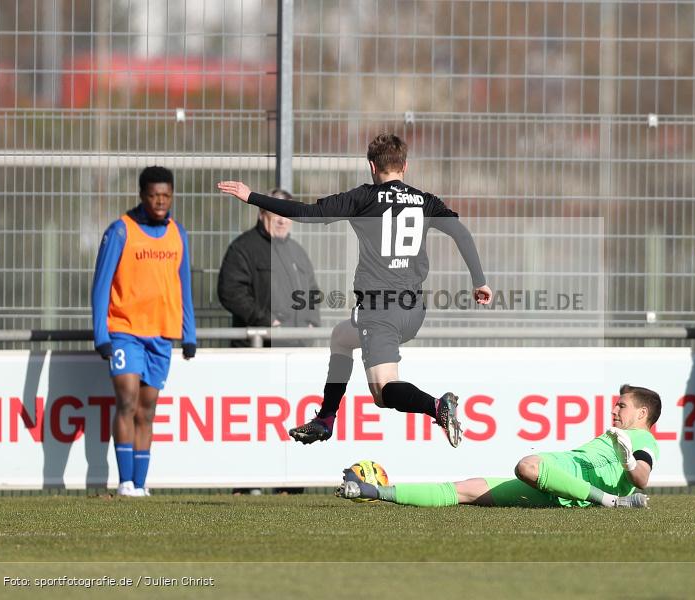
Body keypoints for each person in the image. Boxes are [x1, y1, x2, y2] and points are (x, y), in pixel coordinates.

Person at [218, 133, 491, 448]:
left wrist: (252, 196)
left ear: (372, 166)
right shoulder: (425, 200)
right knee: (341, 337)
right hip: (413, 310)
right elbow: (460, 232)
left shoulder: (364, 198)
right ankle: (326, 417)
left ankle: (436, 406)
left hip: (380, 310)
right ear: (405, 165)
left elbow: (306, 213)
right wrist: (479, 281)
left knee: (383, 391)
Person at [335, 384, 661, 509]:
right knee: (465, 489)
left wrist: (630, 463)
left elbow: (643, 477)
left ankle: (611, 502)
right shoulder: (616, 436)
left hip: (560, 478)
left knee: (527, 465)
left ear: (642, 413)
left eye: (622, 406)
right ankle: (373, 492)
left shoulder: (642, 439)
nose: (614, 410)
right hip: (555, 487)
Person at [91, 166, 197, 497]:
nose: (160, 201)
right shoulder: (121, 231)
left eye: (166, 195)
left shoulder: (177, 233)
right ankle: (124, 482)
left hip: (161, 333)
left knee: (147, 409)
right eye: (153, 195)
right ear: (142, 195)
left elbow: (184, 286)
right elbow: (101, 284)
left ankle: (140, 483)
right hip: (124, 330)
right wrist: (101, 335)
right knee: (127, 399)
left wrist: (189, 333)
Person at [217, 188, 321, 347]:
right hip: (258, 348)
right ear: (261, 214)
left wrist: (312, 323)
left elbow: (313, 291)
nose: (283, 220)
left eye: (288, 214)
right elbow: (231, 292)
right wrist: (268, 322)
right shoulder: (243, 248)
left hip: (297, 346)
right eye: (277, 213)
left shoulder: (298, 252)